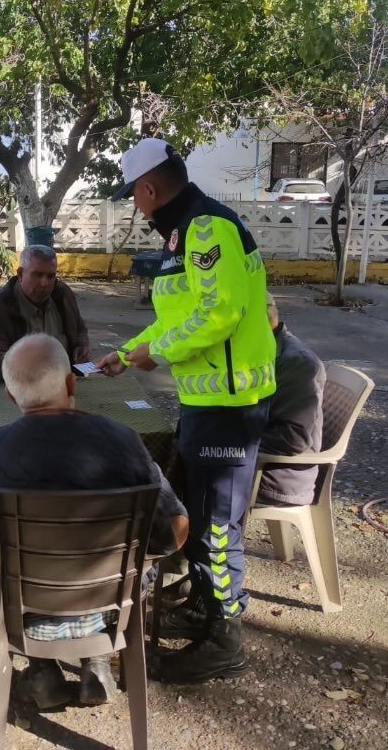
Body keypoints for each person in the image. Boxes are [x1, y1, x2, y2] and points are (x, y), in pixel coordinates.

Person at [95, 138, 276, 685]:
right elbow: (179, 314)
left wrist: (160, 352)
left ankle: (226, 636)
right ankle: (206, 599)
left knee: (217, 523)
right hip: (206, 398)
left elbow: (220, 313)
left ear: (149, 188)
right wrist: (128, 354)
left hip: (231, 401)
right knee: (198, 511)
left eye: (134, 196)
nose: (135, 206)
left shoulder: (206, 228)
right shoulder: (183, 233)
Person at [0, 333, 188, 708]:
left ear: (12, 396)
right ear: (70, 383)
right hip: (109, 608)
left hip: (19, 609)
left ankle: (41, 671)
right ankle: (97, 662)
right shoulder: (123, 439)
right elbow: (176, 529)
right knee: (141, 564)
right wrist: (133, 564)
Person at [0, 244, 90, 380]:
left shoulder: (62, 294)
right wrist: (28, 365)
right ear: (20, 274)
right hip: (21, 391)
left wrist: (81, 345)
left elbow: (79, 328)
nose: (44, 283)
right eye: (38, 275)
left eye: (50, 276)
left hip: (66, 385)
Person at [256, 297, 327, 507]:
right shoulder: (262, 351)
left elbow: (292, 439)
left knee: (191, 473)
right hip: (259, 461)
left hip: (277, 475)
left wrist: (227, 437)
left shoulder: (298, 363)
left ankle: (205, 537)